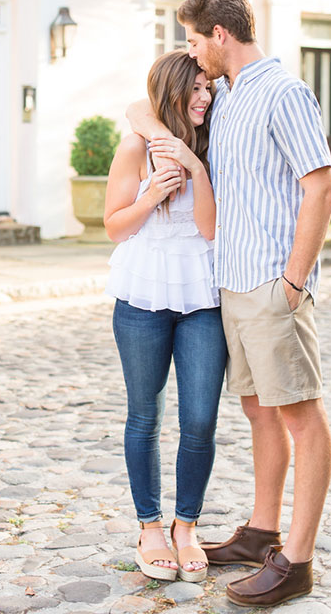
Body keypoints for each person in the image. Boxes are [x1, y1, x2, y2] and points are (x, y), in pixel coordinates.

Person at [127, 0, 331, 607]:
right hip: (232, 284)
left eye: (194, 40)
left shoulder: (283, 92)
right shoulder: (229, 95)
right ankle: (261, 530)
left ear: (219, 36)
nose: (192, 53)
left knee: (302, 414)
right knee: (257, 410)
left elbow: (320, 188)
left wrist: (294, 280)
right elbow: (145, 108)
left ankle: (295, 560)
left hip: (273, 283)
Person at [104, 50, 228, 584]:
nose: (204, 97)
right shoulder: (135, 147)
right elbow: (113, 226)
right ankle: (150, 527)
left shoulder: (213, 141)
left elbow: (209, 230)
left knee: (200, 420)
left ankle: (187, 527)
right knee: (144, 416)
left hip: (201, 293)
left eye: (208, 88)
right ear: (172, 93)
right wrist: (152, 194)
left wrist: (196, 166)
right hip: (140, 295)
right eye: (195, 89)